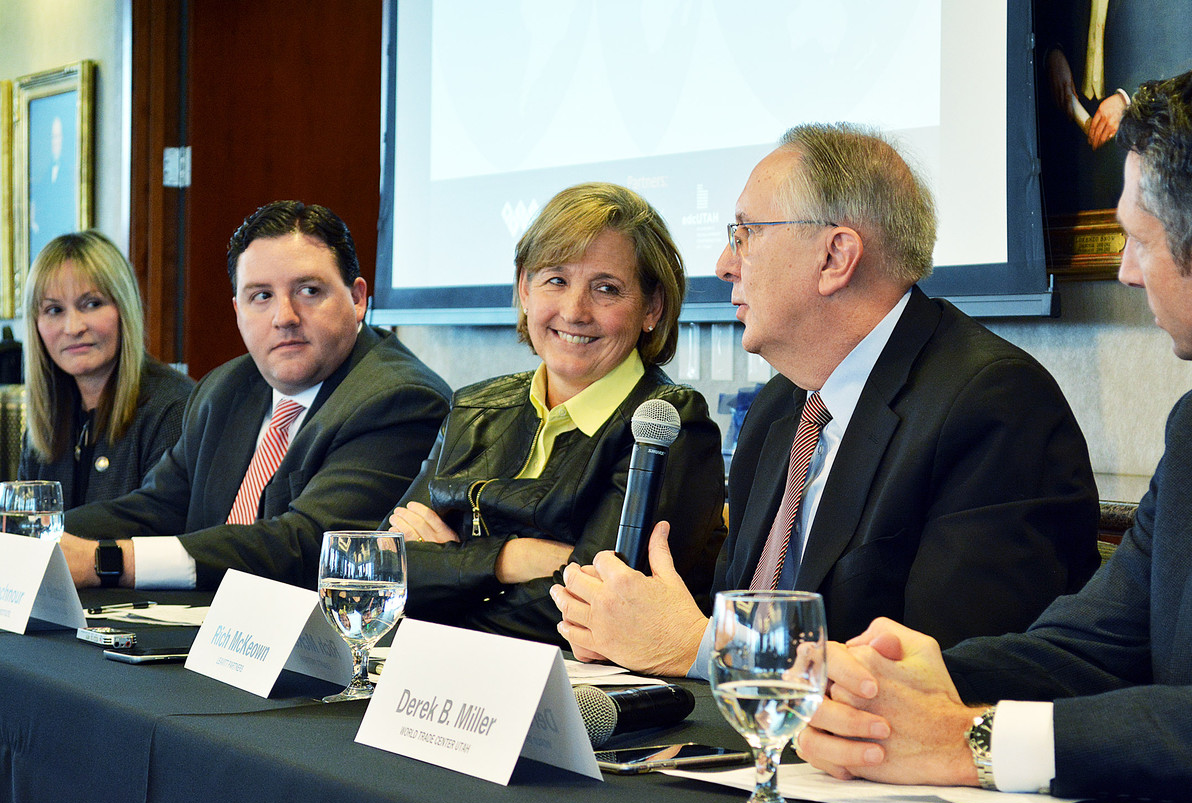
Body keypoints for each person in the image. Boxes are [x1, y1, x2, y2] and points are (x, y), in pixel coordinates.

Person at [797, 50, 1192, 803]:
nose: (1127, 273)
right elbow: (1098, 645)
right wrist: (927, 680)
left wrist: (977, 743)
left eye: (1137, 242)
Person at [550, 123, 1100, 676]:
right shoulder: (778, 408)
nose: (723, 262)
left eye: (746, 233)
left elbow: (943, 676)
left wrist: (702, 647)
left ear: (835, 257)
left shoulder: (992, 406)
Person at [388, 182, 726, 647]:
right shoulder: (473, 407)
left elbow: (594, 610)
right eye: (556, 280)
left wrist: (444, 569)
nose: (574, 310)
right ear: (525, 289)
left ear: (653, 308)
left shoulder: (670, 425)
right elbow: (380, 569)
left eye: (606, 289)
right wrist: (513, 557)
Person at [58, 201, 452, 591]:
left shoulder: (399, 400)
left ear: (357, 298)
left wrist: (106, 562)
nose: (285, 316)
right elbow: (155, 509)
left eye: (309, 291)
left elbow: (307, 544)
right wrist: (29, 533)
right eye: (261, 296)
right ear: (237, 311)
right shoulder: (224, 388)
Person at [18, 231, 194, 507]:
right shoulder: (46, 418)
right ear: (36, 325)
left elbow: (155, 528)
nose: (73, 328)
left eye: (92, 304)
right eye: (54, 310)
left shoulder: (174, 408)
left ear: (124, 308)